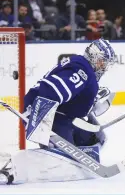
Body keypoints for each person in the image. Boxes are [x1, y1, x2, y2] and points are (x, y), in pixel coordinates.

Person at [0, 39, 116, 184]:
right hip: (49, 115)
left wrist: (92, 100)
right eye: (102, 62)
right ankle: (11, 168)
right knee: (61, 157)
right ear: (94, 56)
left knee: (96, 138)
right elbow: (53, 90)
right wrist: (38, 115)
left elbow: (73, 98)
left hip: (62, 116)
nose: (103, 67)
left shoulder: (82, 66)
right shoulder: (83, 71)